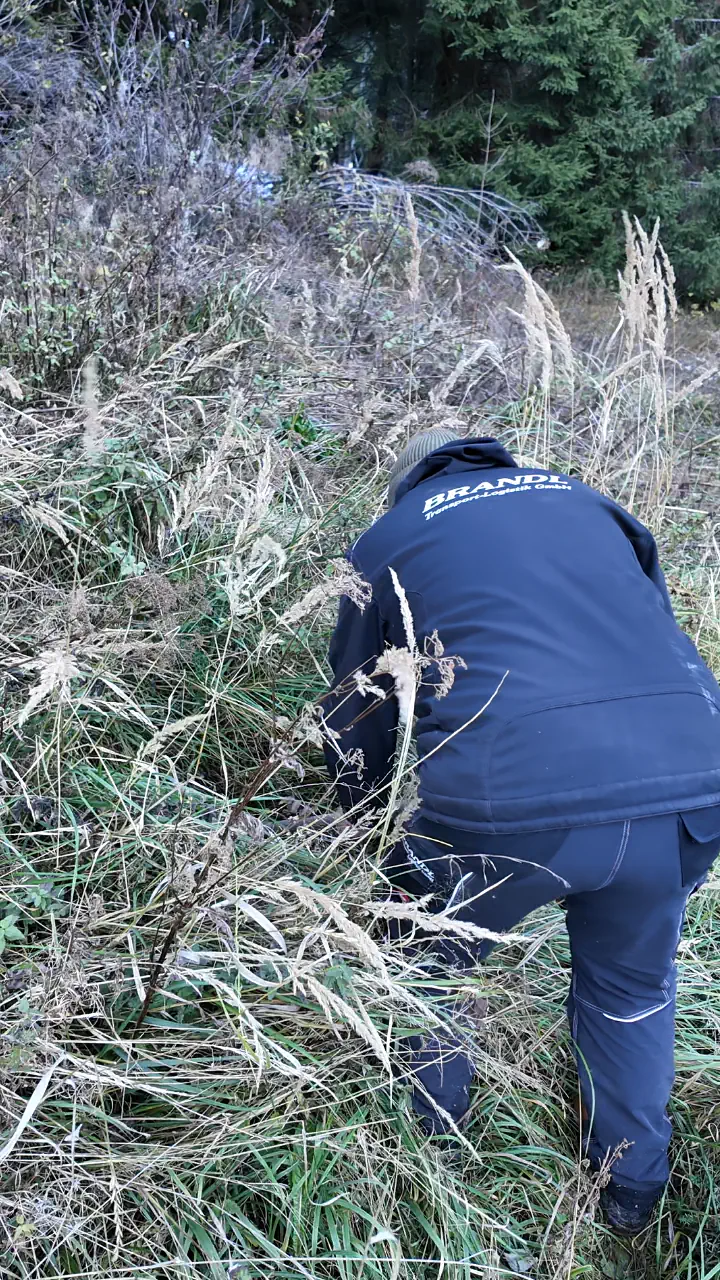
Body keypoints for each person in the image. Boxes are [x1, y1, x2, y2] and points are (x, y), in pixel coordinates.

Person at [322, 429, 720, 1237]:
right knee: (631, 991)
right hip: (693, 781)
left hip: (508, 800)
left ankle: (428, 1162)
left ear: (414, 486)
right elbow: (643, 638)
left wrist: (363, 830)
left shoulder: (392, 536)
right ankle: (632, 1198)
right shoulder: (594, 505)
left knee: (424, 969)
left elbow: (356, 708)